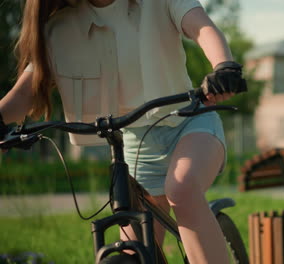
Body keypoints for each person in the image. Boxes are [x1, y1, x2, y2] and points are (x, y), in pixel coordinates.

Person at [0, 0, 247, 263]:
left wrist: (223, 66)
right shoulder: (60, 29)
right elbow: (26, 91)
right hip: (134, 145)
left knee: (182, 189)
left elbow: (202, 27)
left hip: (191, 123)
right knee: (133, 249)